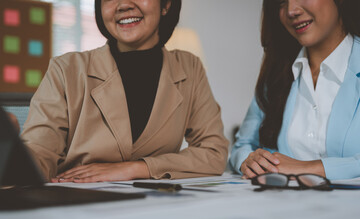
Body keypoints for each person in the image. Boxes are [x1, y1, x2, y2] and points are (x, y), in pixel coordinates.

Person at [21, 0, 228, 183]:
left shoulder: (189, 67)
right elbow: (40, 153)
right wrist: (10, 155)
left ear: (166, 5)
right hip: (78, 204)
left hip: (155, 207)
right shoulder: (66, 69)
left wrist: (138, 168)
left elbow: (213, 151)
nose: (123, 5)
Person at [229, 0, 360, 180]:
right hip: (285, 204)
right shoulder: (276, 76)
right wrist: (251, 162)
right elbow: (242, 146)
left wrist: (309, 168)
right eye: (281, 2)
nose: (291, 11)